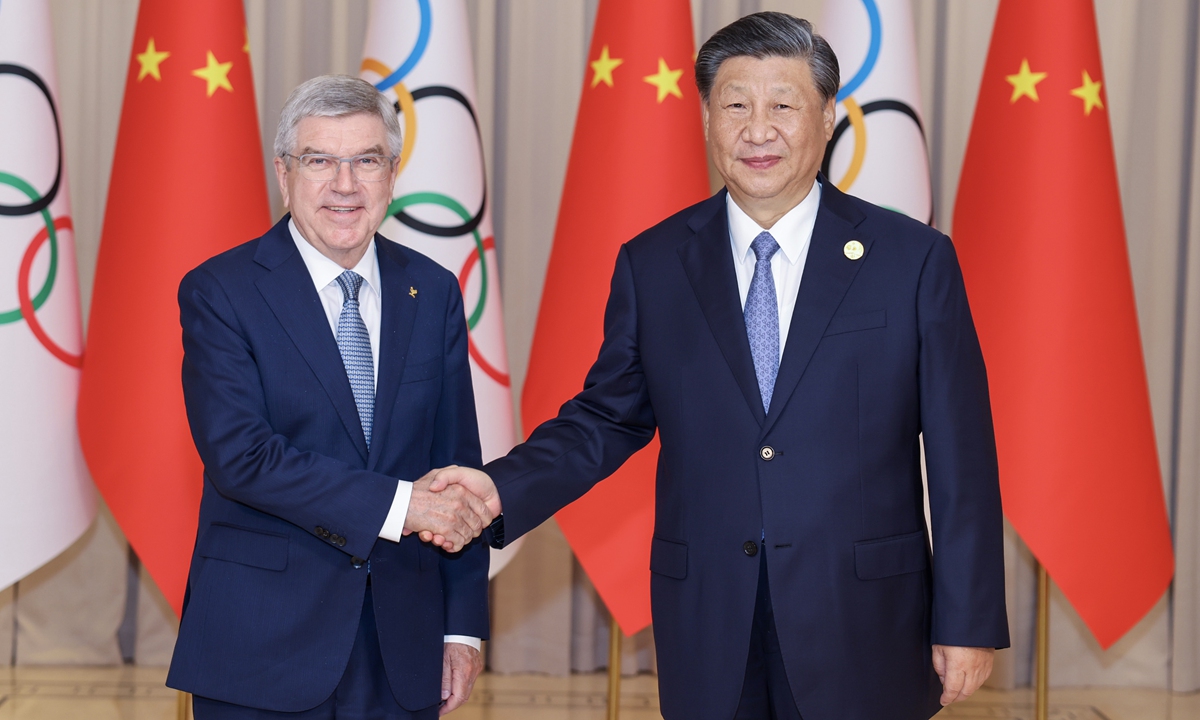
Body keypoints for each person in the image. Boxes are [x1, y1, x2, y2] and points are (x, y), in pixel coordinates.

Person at [428, 13, 1009, 720]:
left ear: (828, 117)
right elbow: (605, 419)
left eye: (783, 106)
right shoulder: (656, 262)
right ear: (706, 116)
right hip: (709, 616)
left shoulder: (911, 260)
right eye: (735, 104)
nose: (757, 130)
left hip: (863, 617)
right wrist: (496, 489)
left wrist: (968, 619)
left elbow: (962, 454)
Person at [166, 75, 494, 719]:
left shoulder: (432, 290)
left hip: (402, 645)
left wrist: (461, 627)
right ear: (285, 175)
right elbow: (243, 458)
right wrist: (403, 507)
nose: (345, 185)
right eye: (320, 160)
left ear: (391, 174)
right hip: (263, 645)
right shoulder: (220, 291)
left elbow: (458, 467)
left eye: (366, 160)